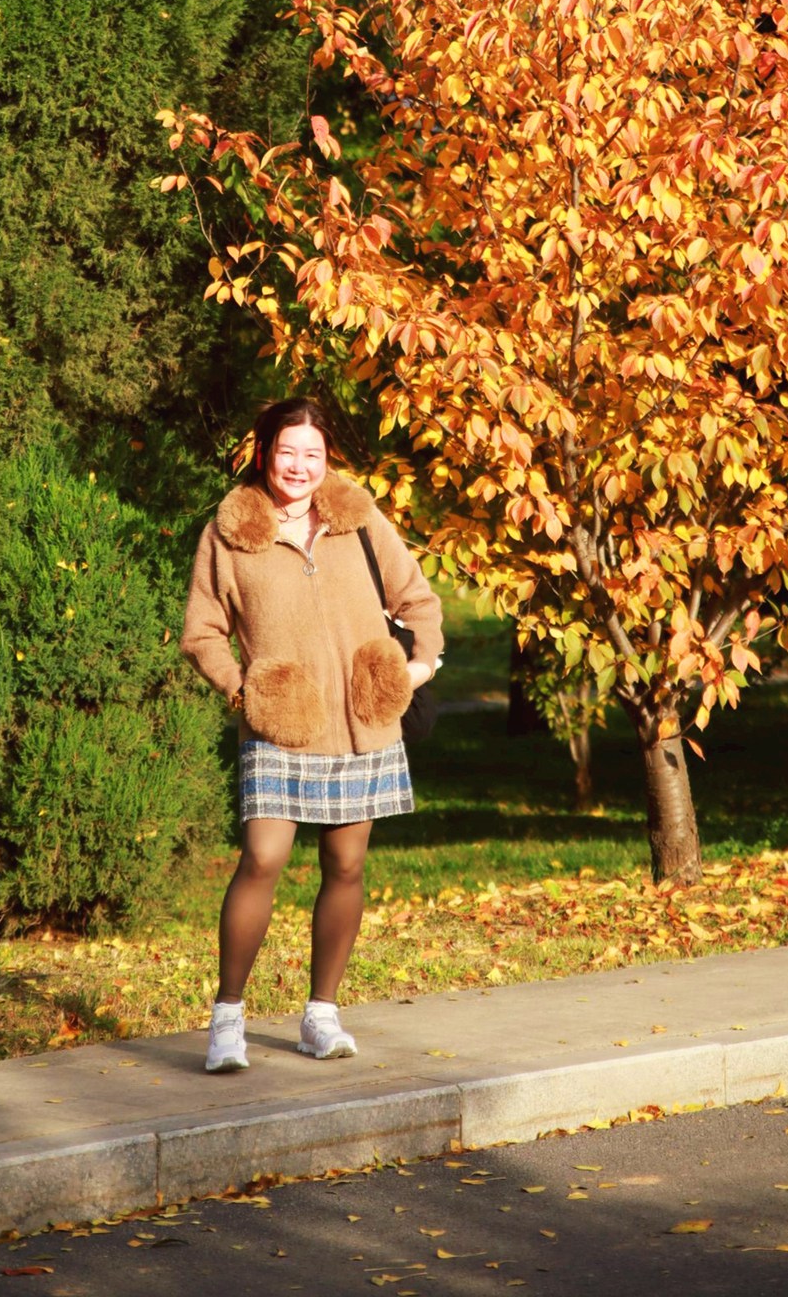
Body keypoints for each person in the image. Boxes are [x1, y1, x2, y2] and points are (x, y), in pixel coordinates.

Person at [181, 396, 442, 1073]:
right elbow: (202, 632)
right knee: (262, 858)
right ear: (264, 453)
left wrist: (412, 670)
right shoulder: (229, 532)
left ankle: (321, 1015)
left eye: (312, 454)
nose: (298, 466)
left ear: (328, 459)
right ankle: (227, 1019)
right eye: (286, 451)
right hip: (280, 723)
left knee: (346, 866)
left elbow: (418, 601)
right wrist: (243, 690)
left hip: (362, 722)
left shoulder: (359, 519)